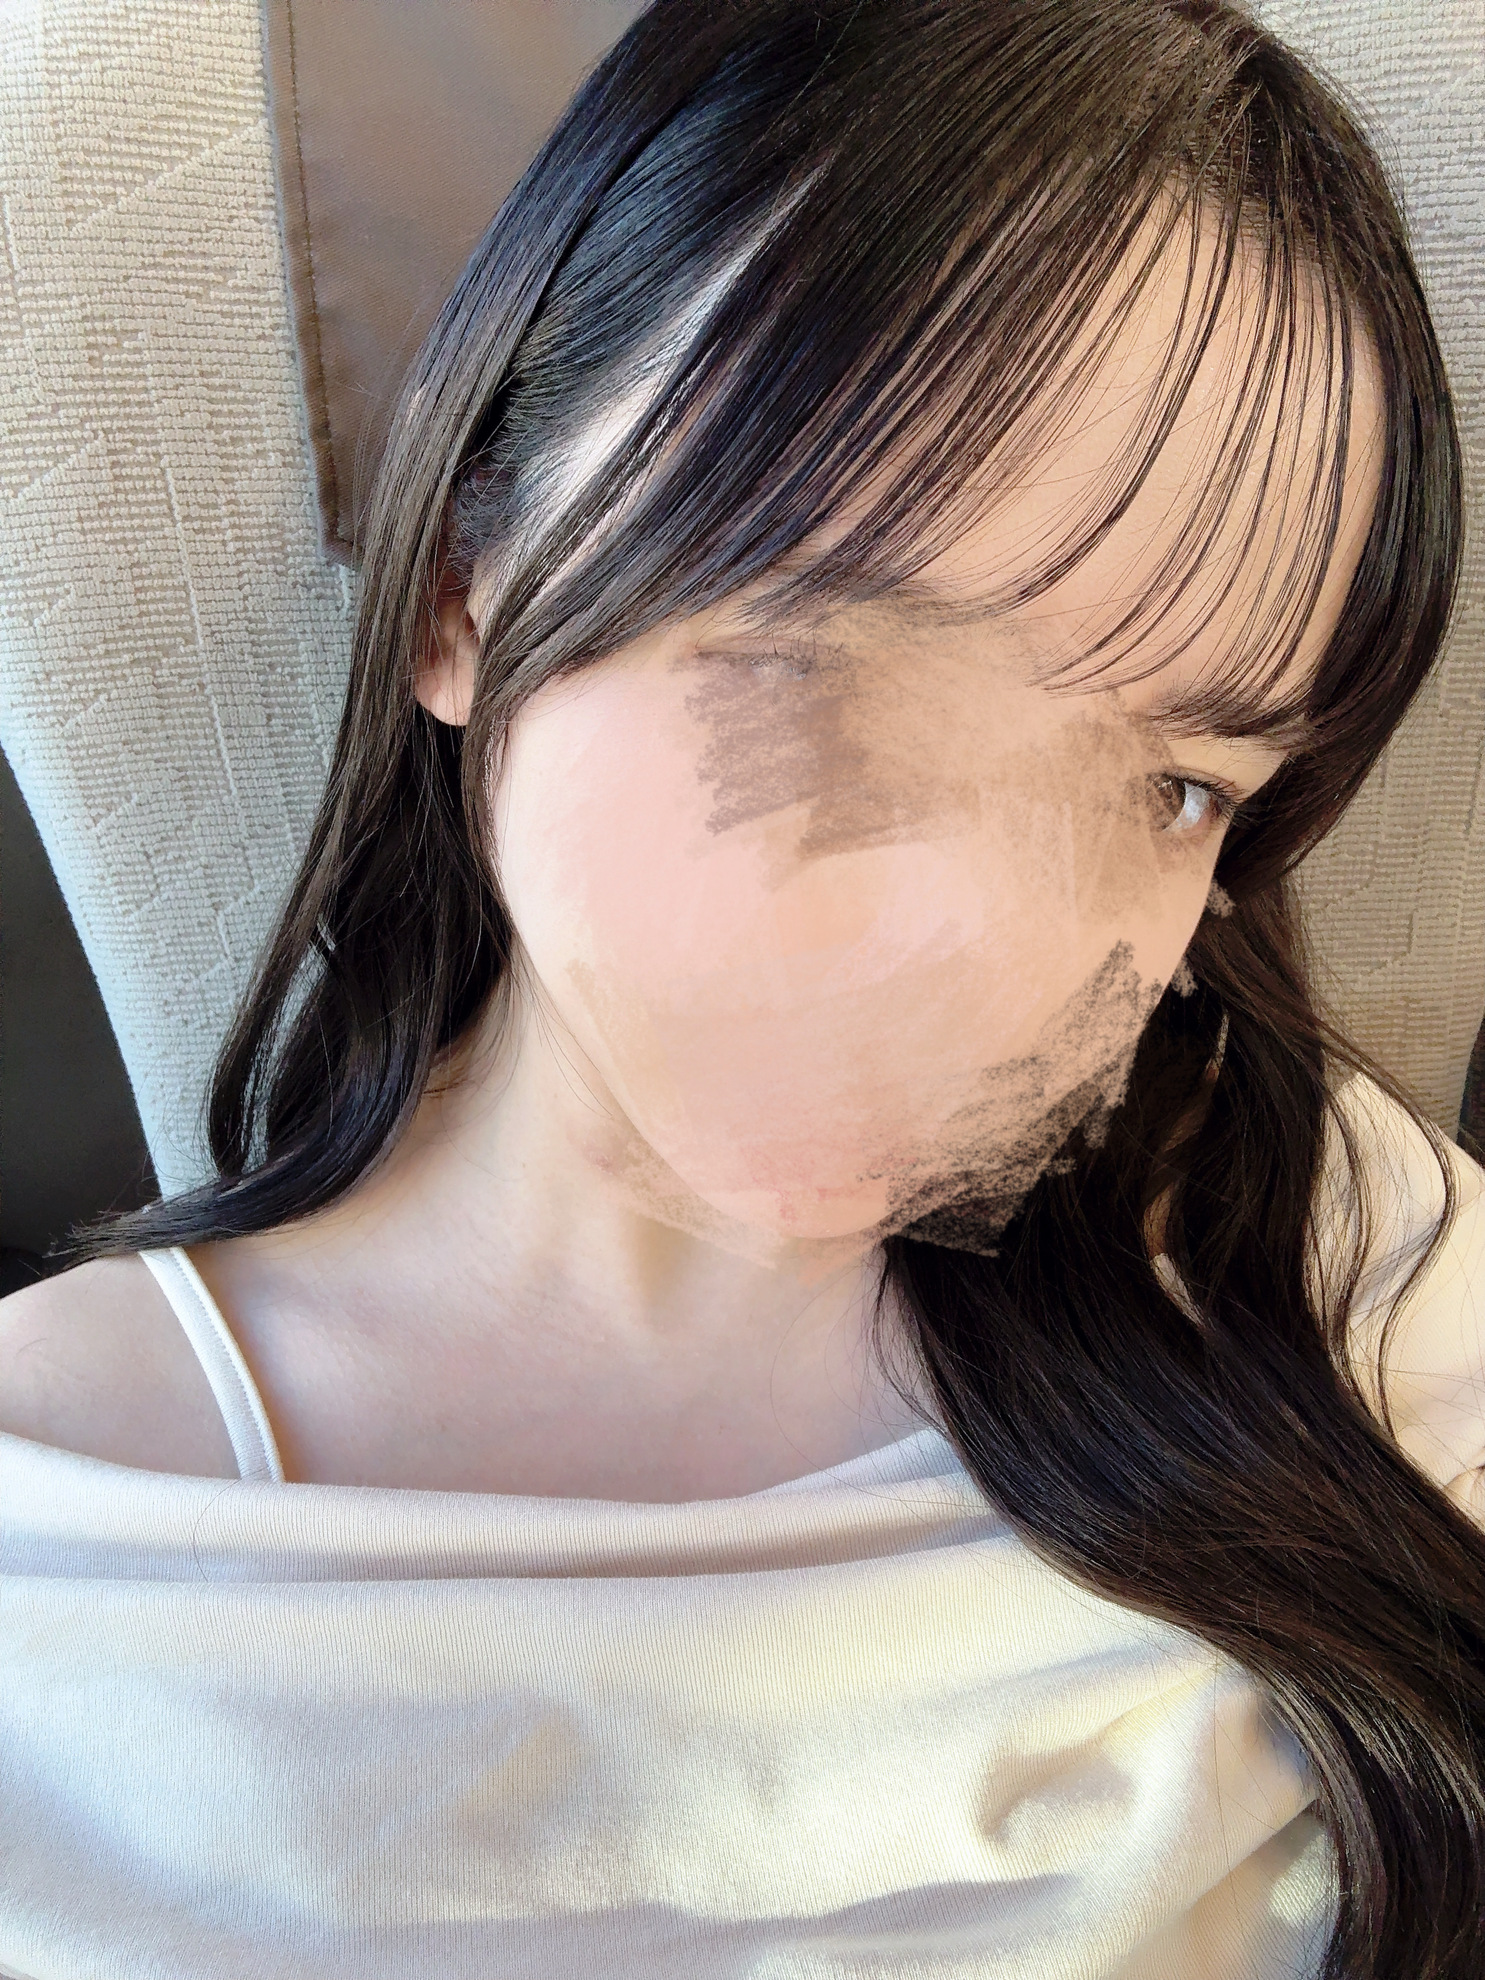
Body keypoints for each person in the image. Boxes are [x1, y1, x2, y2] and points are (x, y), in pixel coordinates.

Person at [2, 0, 1483, 1973]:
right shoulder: (60, 1542)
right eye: (830, 673)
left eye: (1172, 784)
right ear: (461, 600)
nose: (980, 938)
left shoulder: (1339, 1263)